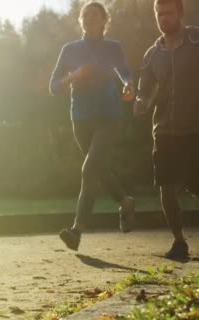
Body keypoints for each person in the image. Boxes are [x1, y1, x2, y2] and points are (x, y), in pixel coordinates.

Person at [49, 1, 136, 251]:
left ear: (104, 20)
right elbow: (54, 87)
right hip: (81, 118)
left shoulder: (113, 48)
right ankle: (126, 200)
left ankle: (77, 230)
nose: (89, 19)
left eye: (94, 15)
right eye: (85, 15)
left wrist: (129, 85)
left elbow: (125, 72)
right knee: (97, 168)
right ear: (81, 21)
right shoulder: (70, 49)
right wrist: (74, 75)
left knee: (89, 170)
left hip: (110, 116)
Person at [134, 0, 199, 260]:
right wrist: (139, 102)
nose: (163, 18)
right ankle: (179, 242)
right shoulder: (152, 54)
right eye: (159, 14)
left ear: (180, 14)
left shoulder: (196, 40)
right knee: (166, 186)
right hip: (163, 131)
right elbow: (145, 92)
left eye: (168, 13)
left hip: (195, 129)